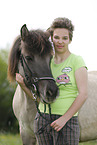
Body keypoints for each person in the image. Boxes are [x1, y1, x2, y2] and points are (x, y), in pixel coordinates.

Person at [16, 17, 88, 145]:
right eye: (57, 37)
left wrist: (64, 119)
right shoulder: (47, 64)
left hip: (66, 121)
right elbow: (39, 99)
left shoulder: (76, 61)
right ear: (52, 38)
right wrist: (23, 85)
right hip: (43, 120)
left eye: (64, 38)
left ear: (70, 40)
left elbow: (83, 94)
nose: (60, 41)